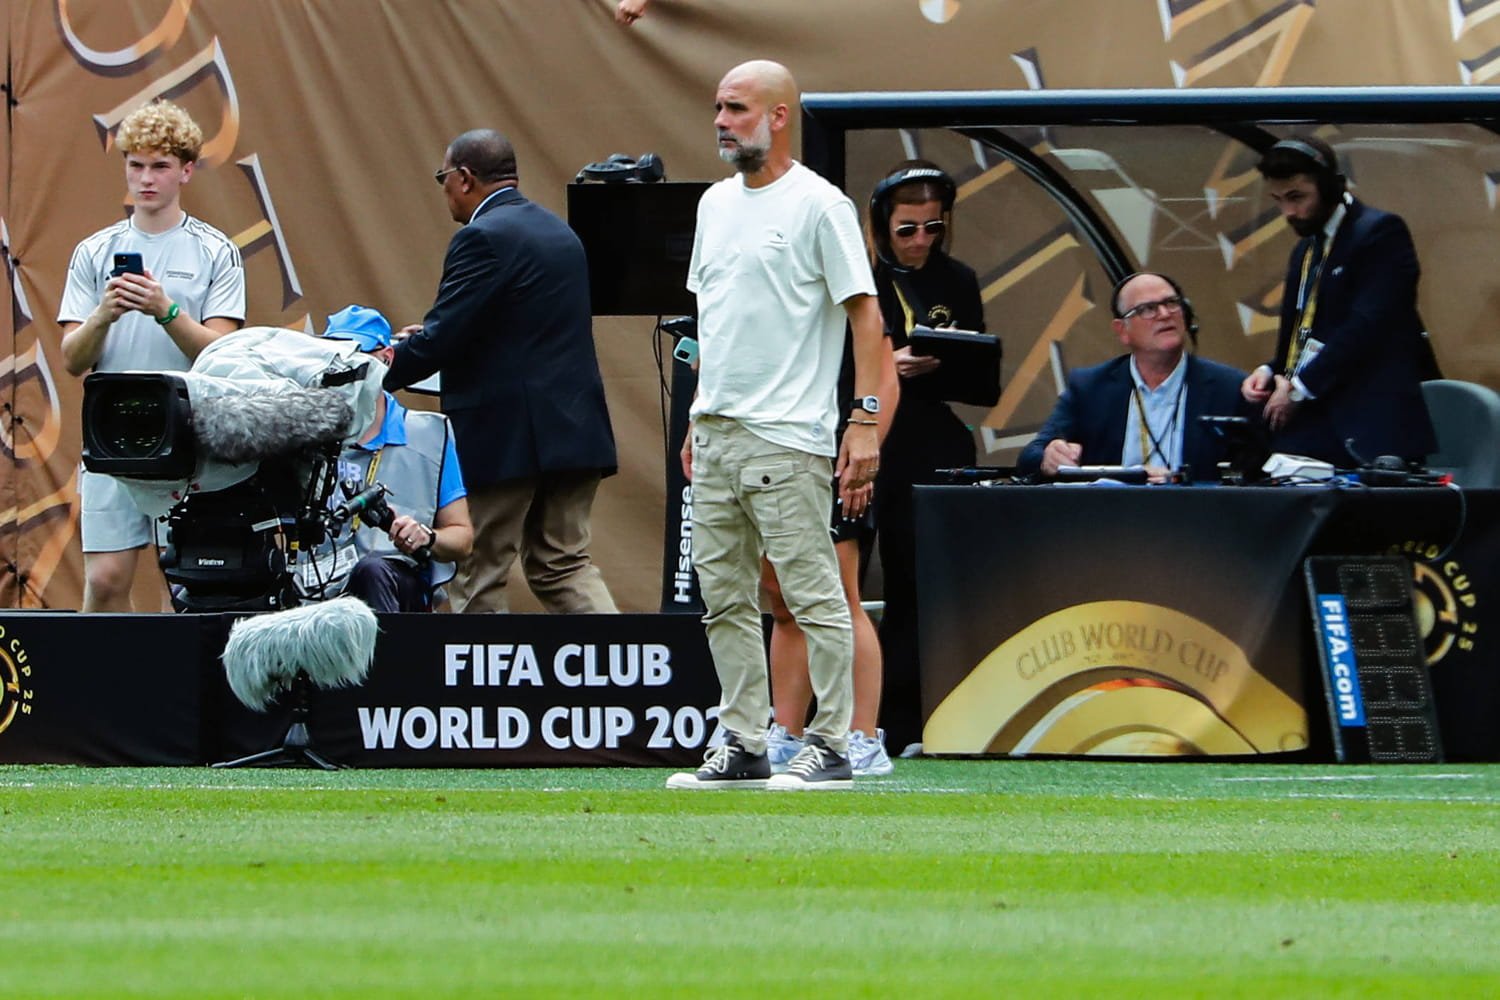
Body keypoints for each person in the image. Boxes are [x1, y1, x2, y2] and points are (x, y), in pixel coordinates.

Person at [666, 59, 885, 790]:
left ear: (779, 115)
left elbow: (866, 315)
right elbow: (713, 318)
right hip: (721, 429)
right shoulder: (713, 206)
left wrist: (864, 420)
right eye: (719, 108)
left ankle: (830, 743)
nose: (722, 122)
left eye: (736, 108)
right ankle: (744, 737)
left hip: (789, 434)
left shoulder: (819, 206)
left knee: (813, 593)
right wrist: (699, 413)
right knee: (723, 595)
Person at [382, 129, 618, 614]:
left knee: (478, 568)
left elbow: (445, 338)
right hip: (576, 433)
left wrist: (372, 377)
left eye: (443, 178)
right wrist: (430, 335)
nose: (443, 189)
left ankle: (480, 692)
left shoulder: (482, 237)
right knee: (563, 565)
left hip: (509, 438)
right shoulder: (559, 231)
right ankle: (624, 682)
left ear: (465, 178)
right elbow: (517, 330)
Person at [58, 98, 246, 613]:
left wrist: (166, 311)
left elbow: (223, 351)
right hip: (110, 429)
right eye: (135, 165)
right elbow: (73, 359)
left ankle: (175, 692)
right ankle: (95, 688)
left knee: (184, 581)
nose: (146, 179)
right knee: (106, 577)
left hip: (187, 432)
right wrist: (104, 314)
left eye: (160, 166)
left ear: (186, 171)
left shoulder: (216, 250)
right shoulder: (94, 251)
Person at [866, 160, 992, 757]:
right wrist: (882, 370)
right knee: (841, 581)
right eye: (907, 229)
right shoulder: (860, 279)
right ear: (881, 230)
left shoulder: (957, 279)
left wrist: (944, 362)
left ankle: (915, 720)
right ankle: (853, 719)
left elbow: (980, 375)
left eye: (932, 228)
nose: (921, 241)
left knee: (919, 582)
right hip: (867, 436)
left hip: (930, 436)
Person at [761, 301, 899, 778]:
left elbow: (886, 378)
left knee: (841, 595)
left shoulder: (852, 284)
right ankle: (786, 733)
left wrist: (864, 449)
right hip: (775, 449)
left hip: (838, 453)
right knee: (782, 598)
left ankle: (862, 737)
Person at [1240, 136, 1437, 467]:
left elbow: (1366, 327)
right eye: (1278, 200)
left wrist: (1298, 388)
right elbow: (1305, 338)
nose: (1289, 212)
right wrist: (1271, 370)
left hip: (1371, 426)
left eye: (1297, 197)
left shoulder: (1380, 233)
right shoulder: (1305, 251)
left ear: (1331, 188)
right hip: (1313, 418)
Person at [308, 305, 473, 613]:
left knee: (372, 571)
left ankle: (388, 662)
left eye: (357, 353)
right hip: (315, 586)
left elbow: (462, 539)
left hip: (395, 583)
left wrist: (426, 536)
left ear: (386, 357)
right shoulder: (307, 434)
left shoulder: (431, 434)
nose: (344, 366)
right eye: (334, 355)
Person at [1016, 272, 1250, 479]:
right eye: (1147, 309)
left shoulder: (1229, 387)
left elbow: (1265, 468)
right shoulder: (1090, 388)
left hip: (1198, 520)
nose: (1164, 314)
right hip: (1114, 520)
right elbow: (1030, 456)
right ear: (1122, 331)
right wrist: (1049, 457)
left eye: (1171, 303)